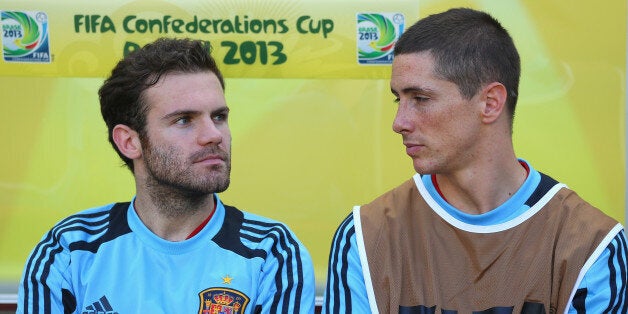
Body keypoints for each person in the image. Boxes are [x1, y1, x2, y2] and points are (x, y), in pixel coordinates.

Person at [324, 8, 627, 313]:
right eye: (397, 99)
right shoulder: (365, 237)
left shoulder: (592, 244)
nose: (399, 122)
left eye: (420, 99)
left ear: (490, 102)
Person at [17, 37, 315, 313]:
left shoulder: (272, 252)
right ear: (130, 141)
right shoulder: (69, 249)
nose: (214, 135)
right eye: (184, 120)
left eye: (219, 117)